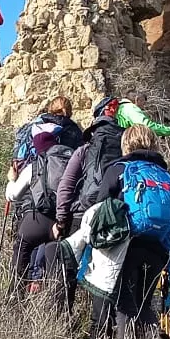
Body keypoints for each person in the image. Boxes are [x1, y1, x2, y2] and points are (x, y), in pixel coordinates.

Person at [82, 124, 170, 339]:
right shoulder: (165, 175)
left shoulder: (119, 169)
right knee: (144, 301)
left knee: (125, 302)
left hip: (127, 244)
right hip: (158, 247)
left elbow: (101, 207)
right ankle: (155, 337)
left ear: (126, 144)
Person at [4, 123, 74, 290]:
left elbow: (12, 195)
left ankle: (16, 296)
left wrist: (12, 178)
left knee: (22, 246)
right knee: (58, 260)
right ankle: (55, 301)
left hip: (41, 218)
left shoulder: (35, 165)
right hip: (68, 221)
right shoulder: (72, 159)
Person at [53, 98, 125, 237]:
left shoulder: (85, 150)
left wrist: (60, 221)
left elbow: (66, 185)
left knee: (71, 258)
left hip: (82, 214)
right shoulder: (124, 150)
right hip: (114, 217)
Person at [94, 95, 170, 139]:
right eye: (143, 102)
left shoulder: (120, 108)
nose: (144, 106)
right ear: (137, 100)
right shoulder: (130, 108)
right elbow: (146, 127)